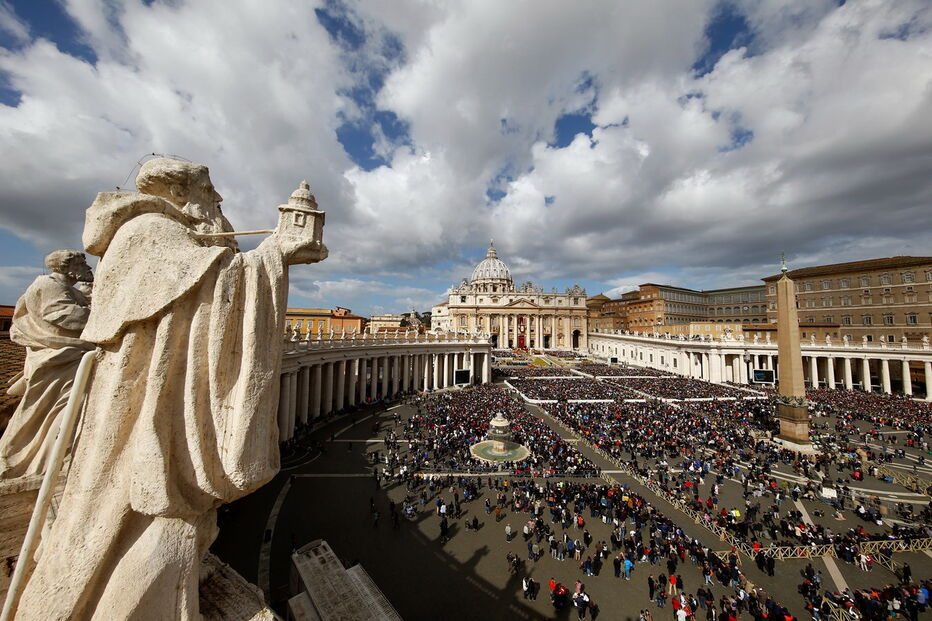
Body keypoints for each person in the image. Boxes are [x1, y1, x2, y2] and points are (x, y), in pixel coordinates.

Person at [15, 158, 328, 619]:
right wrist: (275, 252)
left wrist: (269, 255)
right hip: (141, 402)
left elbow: (201, 286)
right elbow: (212, 290)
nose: (218, 202)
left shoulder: (163, 234)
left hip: (143, 395)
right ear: (180, 192)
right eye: (211, 193)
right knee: (131, 524)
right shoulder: (149, 230)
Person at [0, 249, 93, 479]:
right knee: (51, 410)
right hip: (59, 359)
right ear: (68, 267)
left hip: (71, 356)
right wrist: (102, 313)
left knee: (71, 409)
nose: (88, 267)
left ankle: (55, 456)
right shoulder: (47, 285)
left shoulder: (68, 289)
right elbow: (63, 316)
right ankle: (22, 459)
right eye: (83, 263)